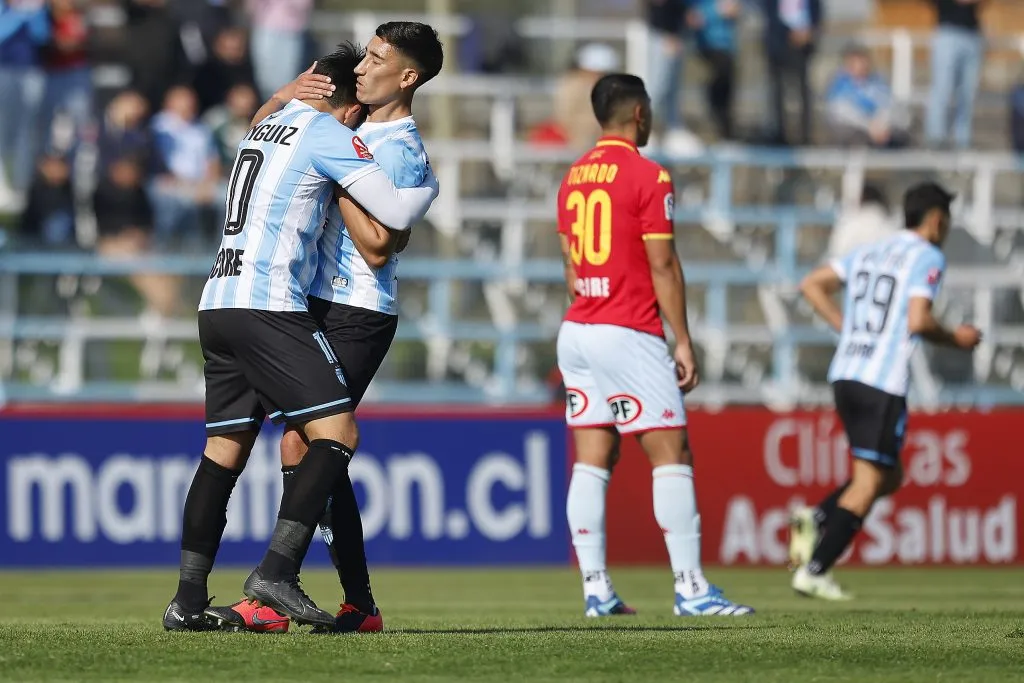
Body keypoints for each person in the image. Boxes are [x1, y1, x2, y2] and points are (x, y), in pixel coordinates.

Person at [162, 42, 439, 631]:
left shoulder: (269, 126)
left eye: (377, 59)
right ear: (341, 102)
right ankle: (280, 577)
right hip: (270, 303)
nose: (365, 74)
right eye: (359, 66)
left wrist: (282, 95)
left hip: (220, 299)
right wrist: (423, 192)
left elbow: (381, 242)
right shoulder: (330, 135)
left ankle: (190, 601)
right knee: (331, 435)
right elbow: (393, 215)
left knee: (230, 451)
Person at [555, 73, 754, 617]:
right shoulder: (648, 174)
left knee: (594, 458)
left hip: (577, 330)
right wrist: (682, 340)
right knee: (671, 454)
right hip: (627, 328)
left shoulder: (573, 176)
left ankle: (596, 588)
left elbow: (571, 262)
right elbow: (662, 263)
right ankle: (691, 588)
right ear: (640, 112)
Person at [791, 182, 982, 600]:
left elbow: (811, 284)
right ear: (936, 220)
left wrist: (847, 328)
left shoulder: (871, 250)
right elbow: (918, 320)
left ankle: (817, 516)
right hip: (881, 380)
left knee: (888, 476)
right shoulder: (928, 256)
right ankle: (815, 569)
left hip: (845, 372)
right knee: (868, 483)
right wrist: (957, 339)